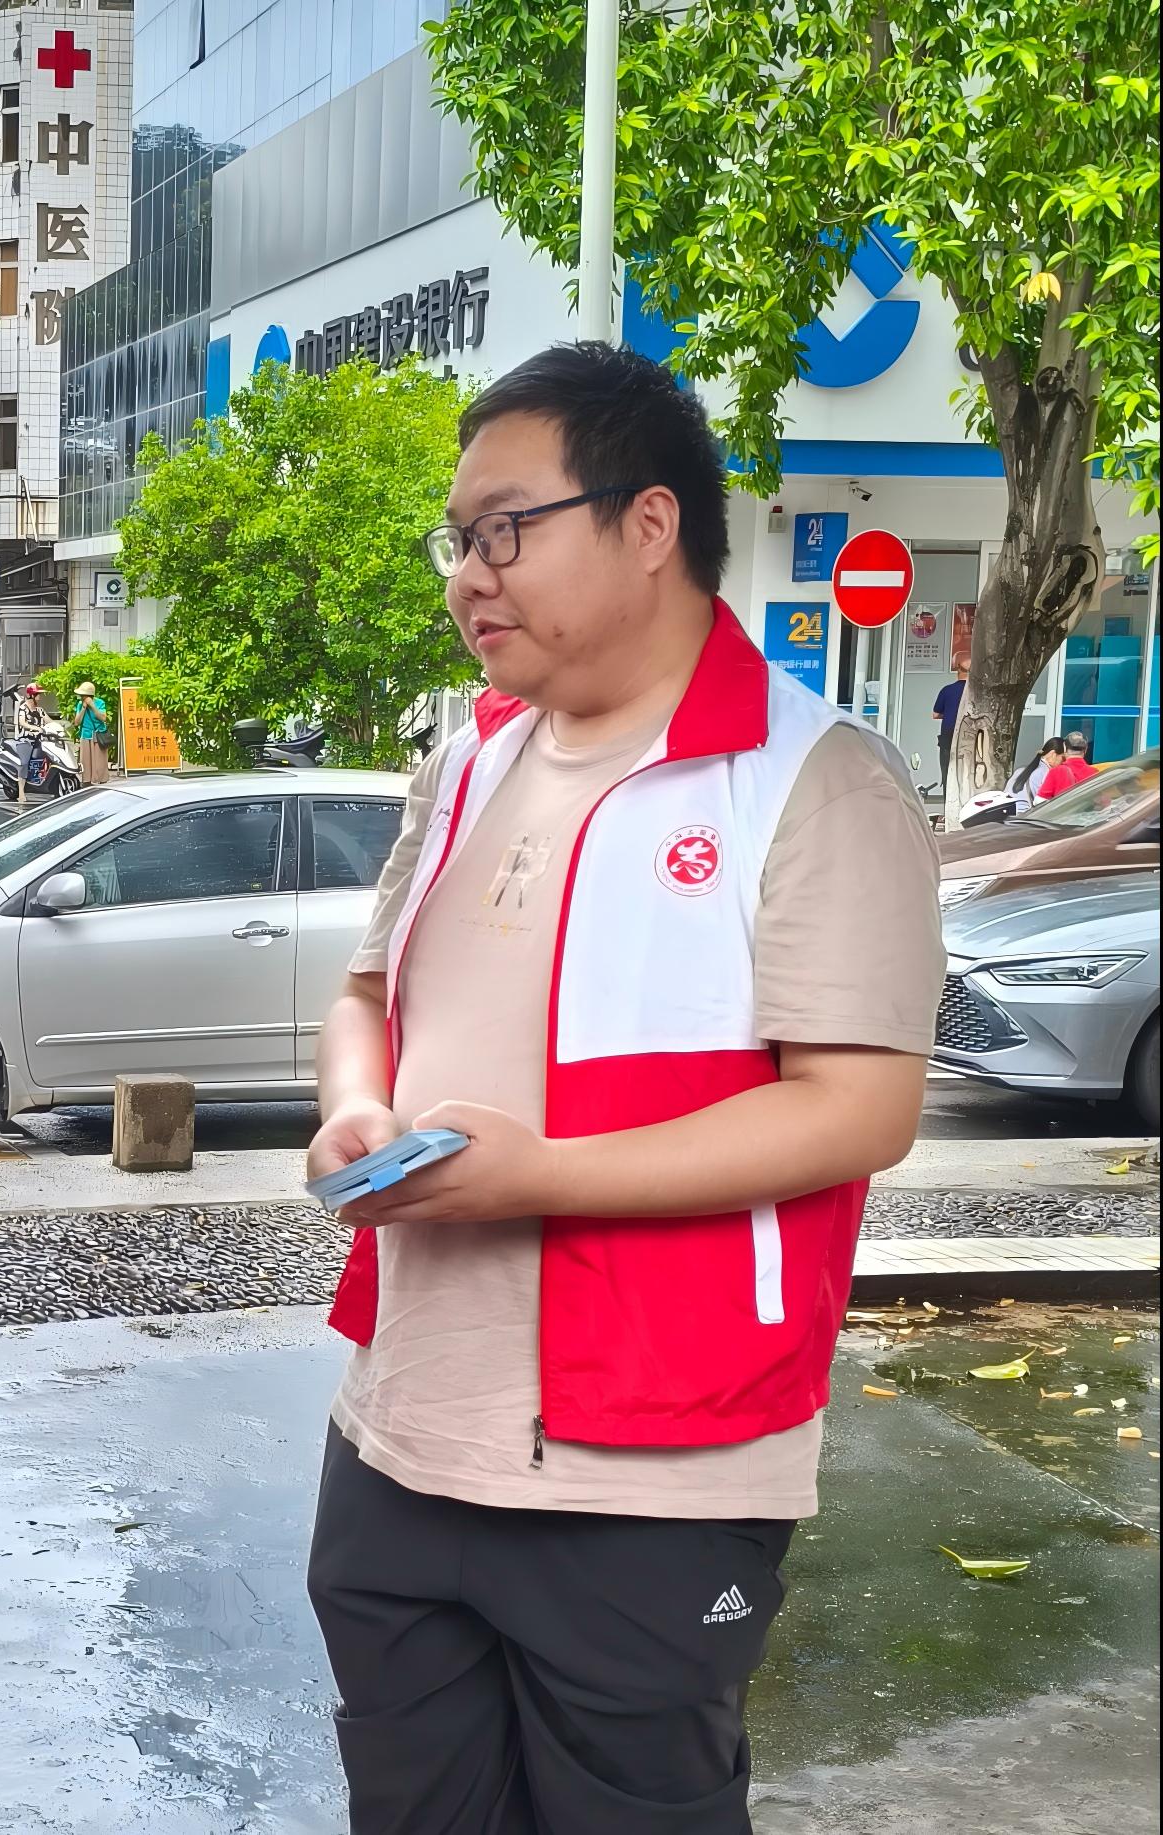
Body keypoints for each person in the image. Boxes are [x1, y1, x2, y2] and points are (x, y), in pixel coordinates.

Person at [305, 342, 940, 1834]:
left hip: (655, 1461)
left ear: (649, 524)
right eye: (457, 538)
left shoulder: (814, 777)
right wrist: (358, 1104)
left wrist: (546, 1173)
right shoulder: (466, 760)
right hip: (402, 1430)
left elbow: (859, 1107)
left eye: (504, 527)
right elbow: (363, 995)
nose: (470, 572)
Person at [1037, 728, 1098, 799]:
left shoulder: (1056, 771)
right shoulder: (1095, 773)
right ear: (1086, 749)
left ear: (1064, 748)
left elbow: (1039, 801)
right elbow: (1104, 803)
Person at [72, 679, 113, 784]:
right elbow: (76, 722)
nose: (81, 697)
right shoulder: (80, 704)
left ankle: (101, 779)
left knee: (100, 761)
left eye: (83, 695)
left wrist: (92, 706)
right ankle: (87, 781)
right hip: (86, 735)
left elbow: (103, 718)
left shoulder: (100, 703)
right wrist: (83, 709)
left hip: (98, 735)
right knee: (86, 761)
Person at [932, 661, 966, 784]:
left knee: (947, 769)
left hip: (948, 734)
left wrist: (949, 714)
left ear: (958, 671)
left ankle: (948, 798)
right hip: (971, 735)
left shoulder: (947, 690)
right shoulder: (977, 692)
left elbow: (935, 714)